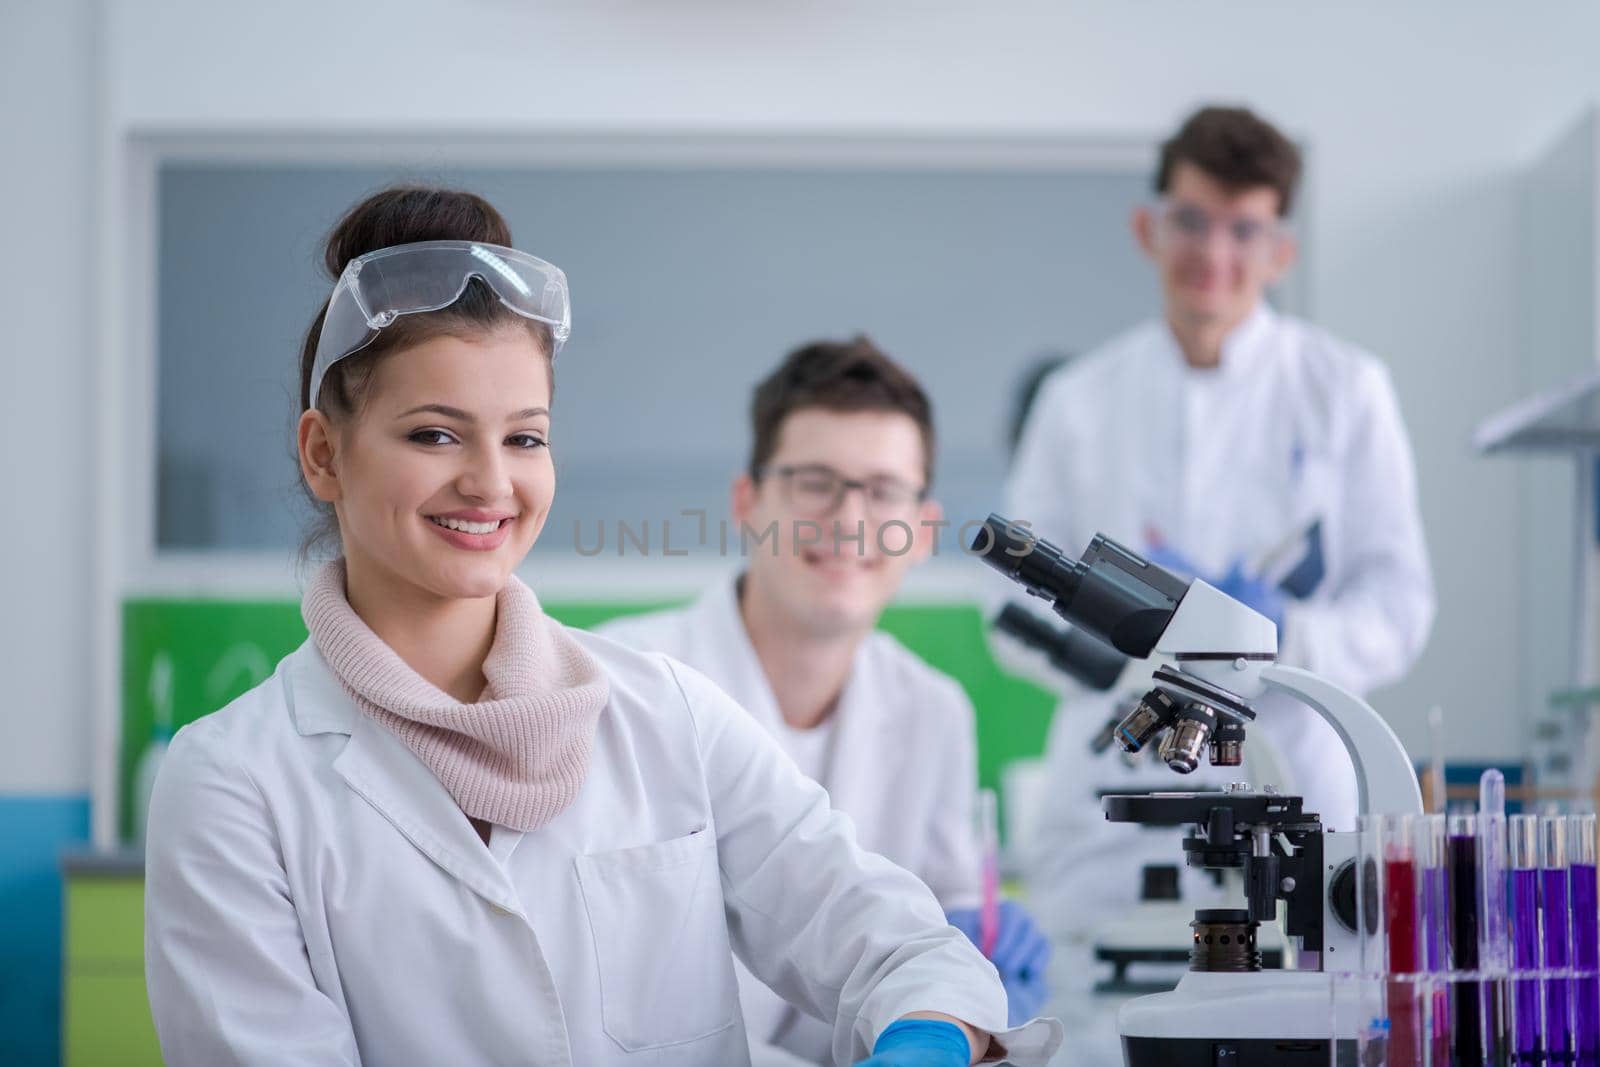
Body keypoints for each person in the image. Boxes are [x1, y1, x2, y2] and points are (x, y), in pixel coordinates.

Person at [142, 187, 1062, 1067]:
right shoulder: (233, 783)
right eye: (434, 434)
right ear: (323, 453)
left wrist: (930, 1028)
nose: (490, 482)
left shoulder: (666, 714)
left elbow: (893, 940)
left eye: (526, 437)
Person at [1000, 105, 1435, 1050]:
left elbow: (1400, 604)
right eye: (1192, 220)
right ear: (1148, 226)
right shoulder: (1081, 401)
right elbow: (1014, 611)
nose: (1215, 253)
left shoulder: (1344, 389)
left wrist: (1277, 642)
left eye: (1245, 229)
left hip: (1294, 786)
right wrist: (1130, 651)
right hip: (1114, 813)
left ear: (1280, 248)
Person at [600, 338, 1052, 1065]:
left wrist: (970, 966)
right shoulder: (625, 687)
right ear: (748, 502)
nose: (847, 519)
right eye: (814, 482)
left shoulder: (933, 711)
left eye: (882, 490)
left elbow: (931, 950)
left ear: (923, 529)